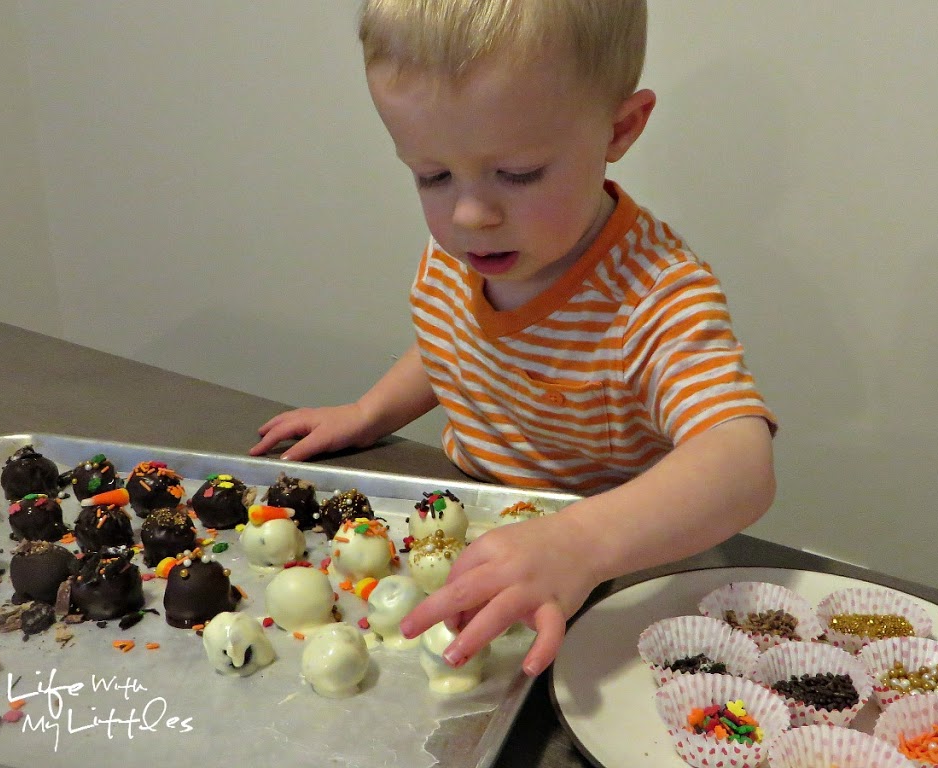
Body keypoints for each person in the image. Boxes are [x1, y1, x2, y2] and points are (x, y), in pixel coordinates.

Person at [251, 0, 776, 677]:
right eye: (432, 175)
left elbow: (741, 463)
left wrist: (580, 544)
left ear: (619, 128)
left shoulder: (655, 298)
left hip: (605, 583)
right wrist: (369, 413)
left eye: (519, 174)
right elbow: (457, 347)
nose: (470, 214)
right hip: (467, 531)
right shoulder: (468, 253)